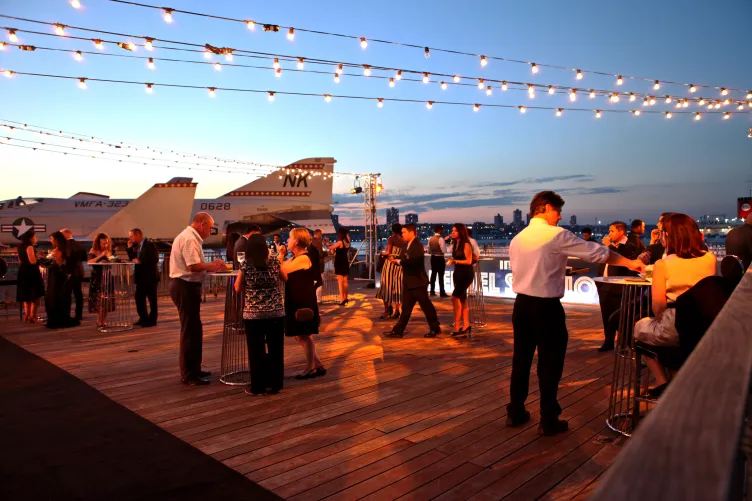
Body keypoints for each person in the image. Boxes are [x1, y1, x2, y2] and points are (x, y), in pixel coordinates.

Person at [507, 191, 644, 436]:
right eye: (558, 211)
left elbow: (534, 268)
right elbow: (597, 252)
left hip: (522, 306)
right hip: (547, 309)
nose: (559, 217)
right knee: (550, 363)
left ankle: (515, 412)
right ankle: (548, 419)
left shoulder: (518, 238)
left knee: (521, 360)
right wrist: (630, 263)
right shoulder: (556, 235)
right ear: (546, 208)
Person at [634, 213, 717, 397]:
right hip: (703, 325)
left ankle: (662, 381)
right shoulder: (709, 258)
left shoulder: (663, 264)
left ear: (668, 235)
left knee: (640, 327)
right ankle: (678, 381)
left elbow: (658, 308)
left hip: (675, 323)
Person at [169, 212, 226, 385]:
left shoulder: (189, 237)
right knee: (190, 329)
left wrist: (210, 267)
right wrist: (213, 265)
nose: (210, 231)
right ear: (201, 224)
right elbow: (192, 266)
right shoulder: (189, 239)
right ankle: (189, 373)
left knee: (194, 328)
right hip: (184, 286)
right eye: (210, 228)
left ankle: (194, 368)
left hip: (185, 286)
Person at [234, 233, 285, 395]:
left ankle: (258, 386)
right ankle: (276, 383)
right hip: (275, 313)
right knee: (276, 349)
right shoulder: (275, 262)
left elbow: (238, 288)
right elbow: (284, 277)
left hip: (253, 315)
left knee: (256, 351)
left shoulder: (246, 265)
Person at [383, 223, 441, 339]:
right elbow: (404, 259)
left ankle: (435, 328)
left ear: (411, 232)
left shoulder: (418, 245)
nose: (402, 234)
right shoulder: (406, 245)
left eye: (404, 232)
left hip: (418, 282)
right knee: (406, 309)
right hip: (409, 282)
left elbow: (415, 262)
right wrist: (393, 259)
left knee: (426, 307)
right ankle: (398, 331)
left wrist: (399, 262)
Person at [281, 228, 325, 379]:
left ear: (297, 241)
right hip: (296, 300)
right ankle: (317, 365)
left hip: (303, 301)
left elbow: (282, 270)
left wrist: (280, 255)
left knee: (304, 335)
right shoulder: (295, 258)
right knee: (301, 335)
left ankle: (310, 368)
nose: (287, 240)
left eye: (289, 238)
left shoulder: (303, 259)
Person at [595, 221, 640, 352]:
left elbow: (623, 262)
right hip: (604, 287)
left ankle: (624, 343)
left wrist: (610, 247)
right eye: (609, 231)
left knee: (621, 317)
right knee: (606, 315)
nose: (610, 234)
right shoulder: (609, 247)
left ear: (621, 232)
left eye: (612, 231)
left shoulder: (629, 246)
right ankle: (608, 341)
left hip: (619, 289)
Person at [44, 231, 80, 329]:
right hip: (58, 275)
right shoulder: (63, 249)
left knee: (54, 296)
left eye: (52, 239)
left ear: (56, 240)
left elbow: (55, 262)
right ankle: (58, 317)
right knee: (58, 296)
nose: (50, 241)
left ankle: (56, 318)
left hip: (56, 276)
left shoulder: (58, 251)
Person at [127, 228, 160, 327]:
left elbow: (155, 259)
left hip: (150, 277)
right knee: (139, 298)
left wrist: (141, 261)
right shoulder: (136, 246)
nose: (130, 238)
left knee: (152, 299)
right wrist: (129, 248)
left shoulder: (149, 245)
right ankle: (143, 317)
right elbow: (133, 258)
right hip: (141, 277)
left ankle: (152, 320)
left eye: (131, 236)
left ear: (138, 235)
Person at [447, 223, 474, 336]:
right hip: (457, 273)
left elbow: (468, 261)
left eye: (455, 231)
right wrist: (452, 260)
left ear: (461, 232)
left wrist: (454, 261)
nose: (452, 232)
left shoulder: (466, 244)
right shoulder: (455, 244)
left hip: (466, 274)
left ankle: (457, 326)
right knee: (462, 299)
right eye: (452, 230)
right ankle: (466, 324)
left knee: (455, 297)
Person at [376, 224, 405, 319]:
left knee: (386, 287)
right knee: (398, 288)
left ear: (393, 230)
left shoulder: (391, 238)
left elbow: (388, 252)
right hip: (399, 265)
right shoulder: (404, 240)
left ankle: (387, 310)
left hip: (390, 264)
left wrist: (382, 254)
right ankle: (397, 310)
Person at [16, 231, 45, 323]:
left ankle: (27, 315)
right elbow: (32, 261)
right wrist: (38, 257)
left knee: (26, 294)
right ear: (30, 238)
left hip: (23, 271)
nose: (36, 238)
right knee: (35, 294)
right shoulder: (30, 247)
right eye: (34, 236)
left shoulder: (20, 247)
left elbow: (20, 259)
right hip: (31, 272)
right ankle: (33, 315)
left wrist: (35, 255)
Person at [87, 233, 115, 327]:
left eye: (106, 243)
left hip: (107, 275)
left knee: (106, 299)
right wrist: (101, 256)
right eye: (103, 243)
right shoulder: (93, 250)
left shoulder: (108, 251)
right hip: (97, 276)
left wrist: (110, 258)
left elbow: (111, 262)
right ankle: (99, 319)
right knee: (99, 298)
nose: (105, 245)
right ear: (98, 243)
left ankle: (103, 320)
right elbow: (90, 262)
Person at [61, 228, 86, 321]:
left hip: (69, 272)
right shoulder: (79, 244)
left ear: (66, 234)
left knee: (67, 294)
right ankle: (79, 314)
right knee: (78, 294)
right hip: (79, 271)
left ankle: (67, 314)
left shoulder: (65, 245)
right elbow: (84, 258)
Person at [329, 227, 351, 305]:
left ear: (340, 234)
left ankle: (341, 299)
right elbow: (336, 246)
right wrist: (330, 242)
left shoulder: (340, 242)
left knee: (340, 281)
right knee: (345, 281)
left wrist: (325, 244)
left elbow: (331, 248)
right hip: (345, 261)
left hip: (339, 262)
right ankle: (345, 298)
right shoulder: (347, 242)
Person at [428, 225, 449, 298]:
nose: (443, 231)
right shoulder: (441, 239)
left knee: (433, 275)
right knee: (441, 276)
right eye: (442, 230)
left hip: (433, 258)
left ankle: (432, 291)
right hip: (440, 259)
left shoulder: (430, 238)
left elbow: (429, 250)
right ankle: (442, 292)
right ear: (440, 230)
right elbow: (444, 251)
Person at [309, 229, 327, 303]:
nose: (321, 236)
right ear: (318, 234)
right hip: (319, 265)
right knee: (319, 281)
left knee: (313, 282)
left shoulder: (310, 241)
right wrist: (327, 253)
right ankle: (319, 299)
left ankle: (313, 298)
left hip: (312, 265)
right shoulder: (318, 242)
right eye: (321, 234)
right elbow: (320, 254)